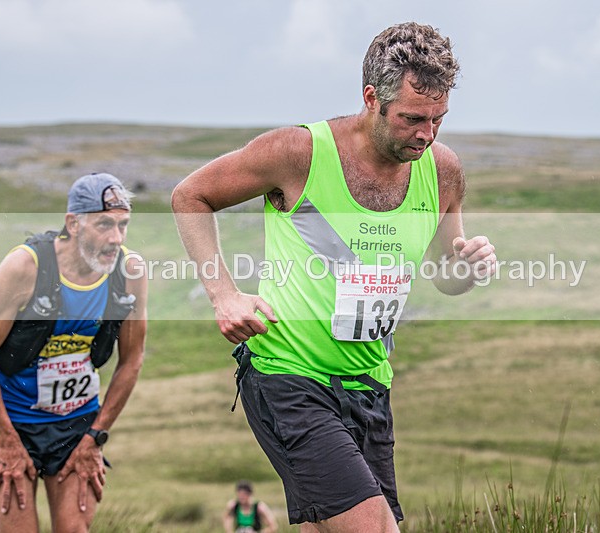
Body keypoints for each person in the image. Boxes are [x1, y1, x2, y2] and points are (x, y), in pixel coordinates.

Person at [171, 22, 496, 532]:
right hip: (289, 377)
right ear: (372, 98)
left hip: (369, 384)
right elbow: (191, 195)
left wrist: (469, 270)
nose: (426, 135)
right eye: (413, 118)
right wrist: (223, 294)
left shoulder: (443, 170)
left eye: (438, 120)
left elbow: (444, 275)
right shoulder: (298, 153)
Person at [0, 173, 148, 533]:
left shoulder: (129, 271)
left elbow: (133, 358)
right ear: (73, 223)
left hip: (77, 424)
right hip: (12, 420)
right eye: (104, 225)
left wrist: (96, 437)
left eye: (123, 225)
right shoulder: (25, 267)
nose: (116, 238)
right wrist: (7, 441)